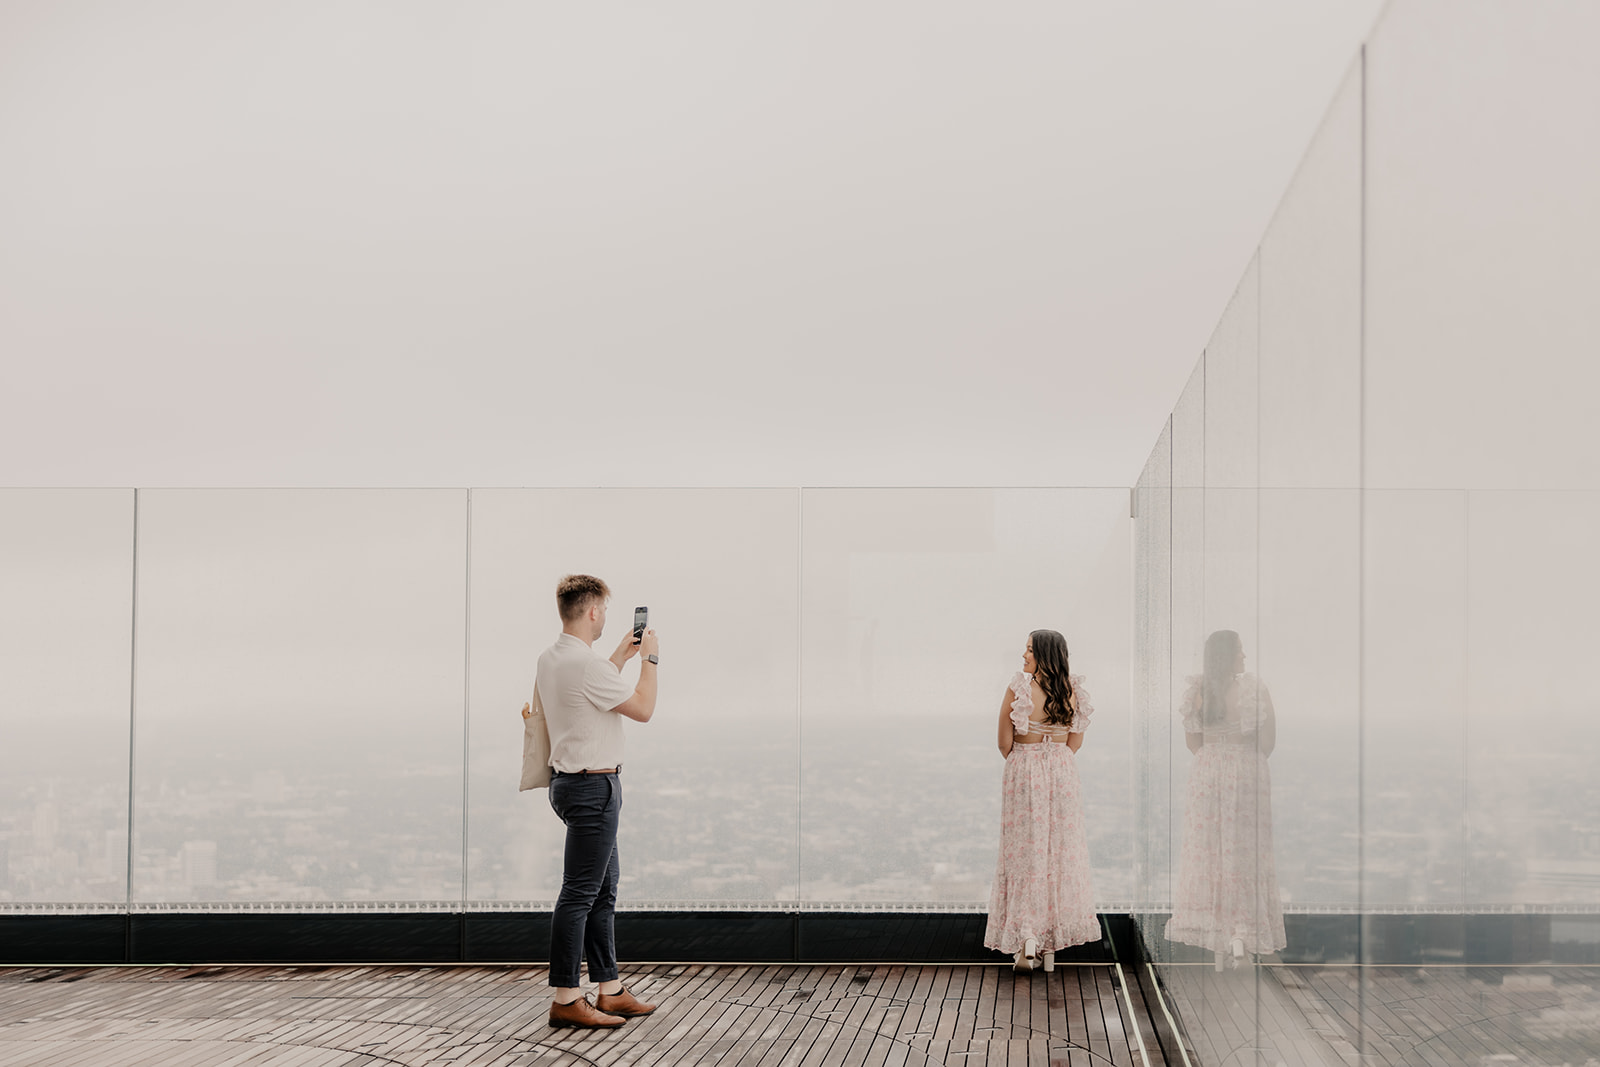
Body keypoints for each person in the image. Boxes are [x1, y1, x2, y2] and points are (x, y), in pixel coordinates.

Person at [529, 574, 661, 1029]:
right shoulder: (587, 666)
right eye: (603, 608)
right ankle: (567, 998)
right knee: (581, 894)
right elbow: (643, 708)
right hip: (594, 789)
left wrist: (619, 658)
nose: (605, 615)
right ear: (591, 612)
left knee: (601, 890)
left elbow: (589, 693)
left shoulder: (552, 659)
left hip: (569, 785)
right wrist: (650, 658)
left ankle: (609, 989)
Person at [1163, 629, 1287, 970]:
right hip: (1247, 769)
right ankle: (1240, 936)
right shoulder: (1254, 689)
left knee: (1209, 851)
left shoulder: (1197, 690)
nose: (1244, 658)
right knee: (1245, 852)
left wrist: (1214, 760)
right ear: (1227, 655)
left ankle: (1218, 938)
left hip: (1207, 771)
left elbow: (1193, 742)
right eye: (1240, 652)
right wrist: (1243, 759)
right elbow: (1268, 741)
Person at [983, 629, 1099, 973]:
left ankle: (1027, 936)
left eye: (1030, 651)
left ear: (1044, 655)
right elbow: (1074, 743)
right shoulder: (1074, 691)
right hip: (1062, 772)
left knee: (1023, 853)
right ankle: (1050, 948)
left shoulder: (1019, 688)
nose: (1023, 656)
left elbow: (1005, 742)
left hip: (1024, 767)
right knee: (1059, 853)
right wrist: (1054, 759)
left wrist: (1026, 763)